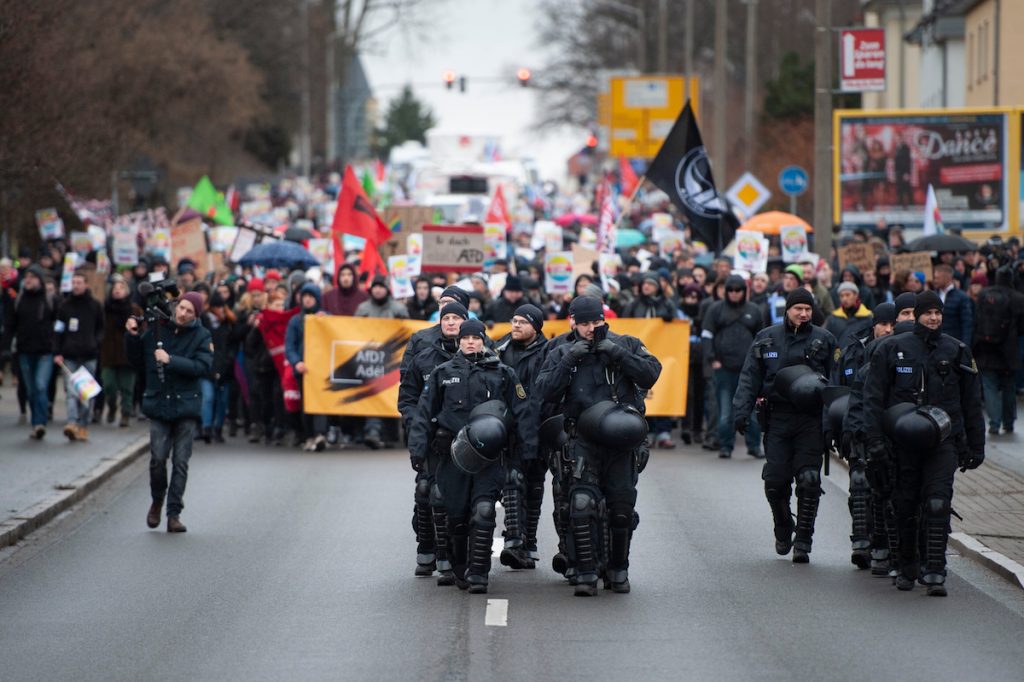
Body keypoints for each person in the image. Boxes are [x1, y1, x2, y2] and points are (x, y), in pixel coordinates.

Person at [861, 291, 986, 595]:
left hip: (944, 441)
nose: (933, 318)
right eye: (928, 312)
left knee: (937, 503)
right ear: (917, 315)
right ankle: (907, 565)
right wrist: (874, 441)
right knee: (905, 506)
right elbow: (873, 398)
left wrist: (976, 444)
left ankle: (935, 570)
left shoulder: (956, 350)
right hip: (902, 443)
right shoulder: (892, 349)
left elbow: (972, 401)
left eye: (937, 313)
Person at [537, 296, 662, 595]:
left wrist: (617, 354)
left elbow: (651, 374)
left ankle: (618, 570)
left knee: (621, 509)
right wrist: (569, 361)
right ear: (573, 322)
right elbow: (544, 391)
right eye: (584, 324)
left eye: (596, 322)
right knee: (581, 504)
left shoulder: (626, 344)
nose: (591, 329)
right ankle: (586, 572)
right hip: (583, 440)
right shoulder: (561, 350)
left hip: (621, 441)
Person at [408, 319, 534, 594]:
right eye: (466, 338)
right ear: (459, 341)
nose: (470, 342)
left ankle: (479, 573)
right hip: (453, 457)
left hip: (489, 458)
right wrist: (417, 449)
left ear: (483, 341)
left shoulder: (502, 373)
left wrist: (527, 452)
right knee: (456, 516)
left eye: (475, 338)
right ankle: (459, 564)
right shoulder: (442, 373)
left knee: (484, 510)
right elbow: (423, 414)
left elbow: (522, 412)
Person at [733, 288, 837, 563]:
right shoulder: (766, 338)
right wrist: (741, 410)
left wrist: (832, 423)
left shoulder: (825, 340)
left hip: (810, 419)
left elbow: (835, 385)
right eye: (798, 309)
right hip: (777, 418)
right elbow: (750, 376)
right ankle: (782, 525)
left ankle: (803, 540)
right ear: (787, 310)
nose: (803, 314)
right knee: (775, 481)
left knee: (809, 479)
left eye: (808, 309)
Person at [125, 290, 212, 533]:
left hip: (186, 405)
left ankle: (174, 513)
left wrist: (171, 360)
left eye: (189, 311)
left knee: (181, 462)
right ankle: (157, 500)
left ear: (196, 315)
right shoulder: (157, 330)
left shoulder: (202, 335)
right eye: (181, 308)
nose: (183, 314)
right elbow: (137, 361)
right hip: (159, 403)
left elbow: (203, 366)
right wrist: (131, 335)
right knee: (157, 459)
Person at [397, 302, 467, 582]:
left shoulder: (482, 355)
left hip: (465, 441)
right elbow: (408, 399)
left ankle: (457, 555)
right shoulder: (424, 357)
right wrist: (418, 428)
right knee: (427, 492)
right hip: (431, 439)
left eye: (456, 318)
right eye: (445, 318)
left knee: (462, 500)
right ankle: (428, 552)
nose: (450, 322)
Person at [833, 301, 895, 568]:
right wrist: (837, 431)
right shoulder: (853, 351)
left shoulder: (904, 351)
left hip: (891, 433)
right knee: (860, 485)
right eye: (883, 324)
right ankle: (861, 540)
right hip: (858, 429)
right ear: (874, 325)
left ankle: (884, 544)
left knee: (885, 492)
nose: (888, 330)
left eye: (893, 324)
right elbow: (840, 393)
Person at [494, 303, 549, 569]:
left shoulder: (548, 353)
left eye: (523, 322)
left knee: (534, 484)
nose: (516, 325)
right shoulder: (499, 350)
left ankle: (529, 542)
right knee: (512, 480)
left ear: (535, 327)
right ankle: (513, 541)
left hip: (538, 427)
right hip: (510, 429)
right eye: (514, 321)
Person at [701, 274, 764, 458]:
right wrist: (712, 359)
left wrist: (760, 362)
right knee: (725, 411)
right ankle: (726, 446)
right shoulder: (715, 309)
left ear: (744, 291)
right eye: (731, 290)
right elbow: (706, 335)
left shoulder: (754, 310)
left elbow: (761, 338)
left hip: (748, 369)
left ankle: (754, 446)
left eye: (738, 290)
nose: (735, 293)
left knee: (750, 410)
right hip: (724, 369)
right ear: (726, 291)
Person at [1, 265, 58, 439]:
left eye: (32, 277)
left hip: (45, 351)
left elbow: (58, 324)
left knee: (40, 385)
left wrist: (57, 347)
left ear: (39, 280)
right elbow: (10, 326)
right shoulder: (18, 300)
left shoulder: (49, 300)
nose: (28, 280)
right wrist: (6, 348)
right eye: (27, 277)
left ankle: (40, 422)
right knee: (31, 390)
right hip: (24, 351)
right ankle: (35, 423)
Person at [972, 266, 1024, 434]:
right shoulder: (1018, 298)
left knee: (989, 386)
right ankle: (1008, 422)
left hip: (986, 348)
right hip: (1008, 349)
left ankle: (994, 423)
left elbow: (976, 320)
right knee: (1008, 387)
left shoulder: (984, 294)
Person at [54, 271, 104, 441]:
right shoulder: (65, 305)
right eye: (73, 282)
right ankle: (72, 422)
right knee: (71, 391)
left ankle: (83, 425)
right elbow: (58, 330)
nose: (75, 286)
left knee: (85, 392)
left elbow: (101, 328)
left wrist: (95, 342)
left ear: (86, 284)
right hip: (69, 355)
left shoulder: (95, 305)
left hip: (89, 355)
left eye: (79, 282)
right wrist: (57, 351)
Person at [285, 282, 328, 451]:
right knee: (307, 404)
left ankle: (320, 434)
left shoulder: (325, 317)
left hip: (322, 369)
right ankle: (309, 435)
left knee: (321, 402)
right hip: (304, 370)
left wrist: (327, 321)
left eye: (311, 297)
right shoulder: (296, 321)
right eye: (305, 297)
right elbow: (290, 346)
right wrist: (297, 362)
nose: (308, 300)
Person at [100, 276, 141, 427]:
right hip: (108, 353)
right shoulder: (105, 309)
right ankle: (111, 406)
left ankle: (125, 413)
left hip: (127, 354)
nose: (117, 291)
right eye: (115, 288)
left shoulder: (134, 310)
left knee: (127, 388)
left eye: (121, 288)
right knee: (108, 385)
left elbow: (141, 330)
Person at [933, 264, 974, 346]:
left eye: (937, 278)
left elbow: (967, 324)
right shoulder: (933, 295)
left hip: (954, 342)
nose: (934, 281)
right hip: (935, 342)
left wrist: (965, 346)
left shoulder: (962, 297)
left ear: (946, 278)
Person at [824, 281, 873, 349]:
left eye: (847, 295)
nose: (844, 299)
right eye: (841, 296)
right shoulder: (833, 318)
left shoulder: (868, 317)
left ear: (856, 295)